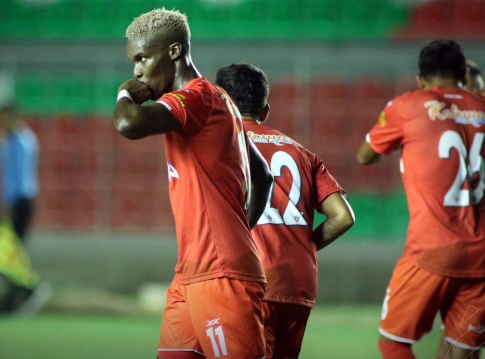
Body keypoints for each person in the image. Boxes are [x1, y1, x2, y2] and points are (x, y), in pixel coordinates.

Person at [112, 8, 273, 359]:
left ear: (173, 52)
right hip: (191, 274)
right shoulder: (221, 100)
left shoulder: (196, 97)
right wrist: (238, 231)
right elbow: (263, 175)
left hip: (220, 277)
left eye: (142, 58)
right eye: (132, 62)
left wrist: (126, 92)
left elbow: (128, 124)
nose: (136, 70)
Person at [216, 63, 355, 359]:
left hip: (251, 278)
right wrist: (304, 246)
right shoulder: (301, 152)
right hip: (299, 283)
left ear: (220, 102)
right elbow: (343, 217)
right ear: (264, 111)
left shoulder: (222, 145)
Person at [357, 39, 485, 359]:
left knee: (393, 342)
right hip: (482, 260)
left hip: (429, 253)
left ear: (420, 78)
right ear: (462, 73)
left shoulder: (409, 106)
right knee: (462, 351)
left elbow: (366, 156)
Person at [0, 103, 50, 315]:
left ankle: (27, 290)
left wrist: (9, 204)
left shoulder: (20, 141)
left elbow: (19, 177)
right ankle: (17, 293)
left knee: (6, 249)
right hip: (17, 200)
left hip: (18, 201)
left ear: (13, 117)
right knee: (5, 249)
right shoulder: (16, 139)